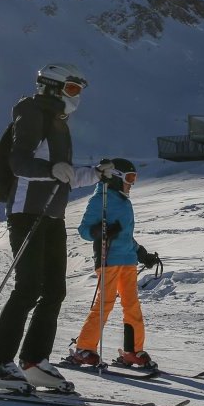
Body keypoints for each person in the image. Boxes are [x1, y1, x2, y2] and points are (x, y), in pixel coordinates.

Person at [0, 62, 114, 392]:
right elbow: (19, 162)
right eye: (71, 89)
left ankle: (34, 362)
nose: (76, 97)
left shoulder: (58, 122)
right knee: (28, 288)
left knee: (55, 290)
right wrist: (55, 170)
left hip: (52, 215)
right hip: (28, 212)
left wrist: (95, 173)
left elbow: (62, 175)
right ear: (52, 87)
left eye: (78, 90)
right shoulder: (32, 110)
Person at [64, 159, 163, 371]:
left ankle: (133, 351)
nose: (132, 184)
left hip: (127, 260)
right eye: (129, 178)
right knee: (105, 304)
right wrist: (101, 231)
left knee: (132, 306)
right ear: (116, 177)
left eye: (134, 178)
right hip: (108, 259)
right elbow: (83, 230)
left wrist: (142, 254)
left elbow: (127, 236)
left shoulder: (124, 202)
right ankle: (85, 348)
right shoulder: (101, 200)